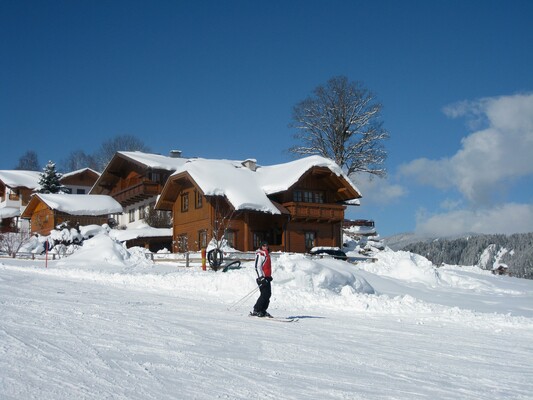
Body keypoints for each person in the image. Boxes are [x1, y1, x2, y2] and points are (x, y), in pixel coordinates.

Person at [251, 241, 273, 317]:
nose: (265, 247)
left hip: (267, 277)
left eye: (266, 245)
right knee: (264, 294)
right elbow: (257, 267)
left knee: (268, 294)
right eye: (264, 246)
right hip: (261, 278)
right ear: (261, 246)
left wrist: (269, 276)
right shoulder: (259, 254)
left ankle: (263, 310)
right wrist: (261, 278)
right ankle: (256, 310)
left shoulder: (267, 254)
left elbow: (267, 267)